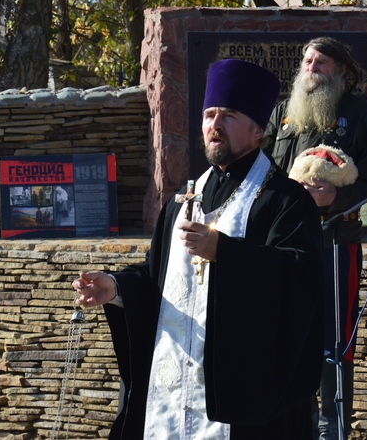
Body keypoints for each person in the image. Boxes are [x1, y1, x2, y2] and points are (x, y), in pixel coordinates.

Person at [73, 58, 324, 440]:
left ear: (257, 130)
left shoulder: (286, 200)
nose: (215, 125)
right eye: (209, 115)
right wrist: (117, 287)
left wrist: (226, 251)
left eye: (229, 116)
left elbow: (300, 277)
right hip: (172, 391)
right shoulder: (183, 200)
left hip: (244, 400)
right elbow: (156, 275)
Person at [263, 37, 367, 440]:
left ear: (341, 71)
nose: (311, 67)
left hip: (335, 242)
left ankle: (333, 429)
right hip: (283, 243)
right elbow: (263, 169)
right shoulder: (283, 113)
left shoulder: (358, 114)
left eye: (321, 62)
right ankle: (297, 426)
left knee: (334, 341)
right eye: (307, 61)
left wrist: (335, 198)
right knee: (287, 336)